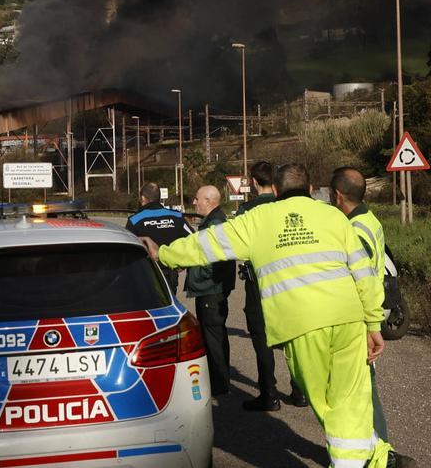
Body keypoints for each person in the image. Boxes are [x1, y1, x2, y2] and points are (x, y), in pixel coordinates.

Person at [142, 164, 411, 468]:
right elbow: (363, 273)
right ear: (311, 191)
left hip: (302, 327)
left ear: (277, 192)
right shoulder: (334, 217)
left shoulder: (256, 220)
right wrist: (373, 323)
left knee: (329, 405)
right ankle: (375, 456)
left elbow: (207, 244)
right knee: (351, 399)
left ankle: (358, 462)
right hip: (349, 319)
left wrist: (162, 253)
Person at [236, 161, 307, 411]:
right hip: (288, 281)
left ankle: (269, 394)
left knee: (262, 340)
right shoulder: (283, 206)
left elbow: (238, 249)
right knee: (292, 337)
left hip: (258, 283)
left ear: (254, 182)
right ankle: (300, 391)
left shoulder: (246, 211)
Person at [331, 166, 391, 441]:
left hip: (359, 318)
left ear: (337, 196)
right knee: (366, 388)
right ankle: (375, 449)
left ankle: (377, 451)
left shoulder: (354, 230)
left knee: (361, 391)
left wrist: (370, 325)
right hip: (369, 313)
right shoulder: (369, 219)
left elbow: (359, 282)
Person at [187, 185, 236, 396]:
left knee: (213, 337)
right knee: (216, 335)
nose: (194, 202)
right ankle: (220, 378)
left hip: (210, 290)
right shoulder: (215, 221)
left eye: (197, 198)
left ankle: (219, 382)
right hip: (211, 288)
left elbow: (212, 259)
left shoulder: (214, 224)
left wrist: (199, 276)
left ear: (208, 201)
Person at [125, 182, 193, 291]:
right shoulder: (176, 216)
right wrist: (183, 261)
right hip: (170, 273)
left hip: (145, 274)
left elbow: (127, 249)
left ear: (143, 198)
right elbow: (193, 239)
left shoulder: (135, 220)